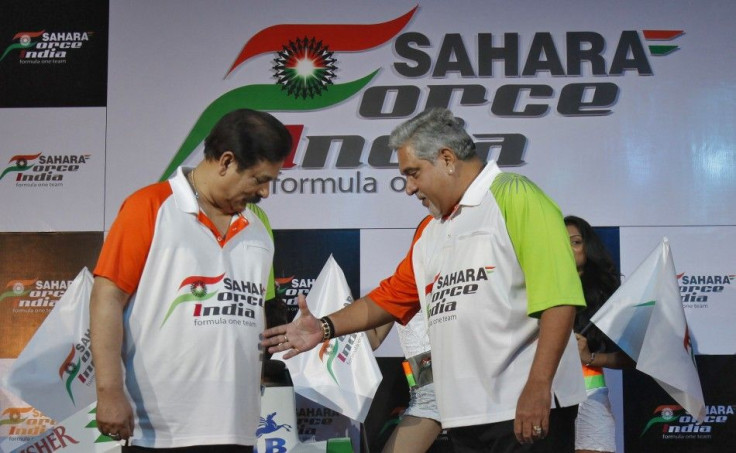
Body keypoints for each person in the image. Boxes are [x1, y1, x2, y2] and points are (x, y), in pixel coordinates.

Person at [264, 108, 587, 452]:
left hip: (522, 408)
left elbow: (559, 299)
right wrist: (324, 328)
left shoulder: (515, 196)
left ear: (447, 158)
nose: (408, 187)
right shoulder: (430, 230)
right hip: (464, 415)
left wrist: (539, 385)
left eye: (413, 173)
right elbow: (389, 299)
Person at [89, 109, 292, 451]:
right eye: (259, 179)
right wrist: (108, 391)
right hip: (160, 429)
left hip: (238, 428)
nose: (267, 192)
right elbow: (106, 298)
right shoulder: (149, 207)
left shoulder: (259, 227)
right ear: (226, 162)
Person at [564, 215, 635, 453]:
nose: (568, 248)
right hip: (544, 400)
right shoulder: (532, 290)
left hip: (589, 396)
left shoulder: (607, 297)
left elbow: (630, 357)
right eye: (560, 242)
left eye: (575, 241)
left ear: (588, 247)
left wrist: (590, 357)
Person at [366, 280, 442, 453]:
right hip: (423, 390)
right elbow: (374, 339)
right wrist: (347, 307)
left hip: (447, 386)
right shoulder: (403, 283)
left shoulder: (450, 276)